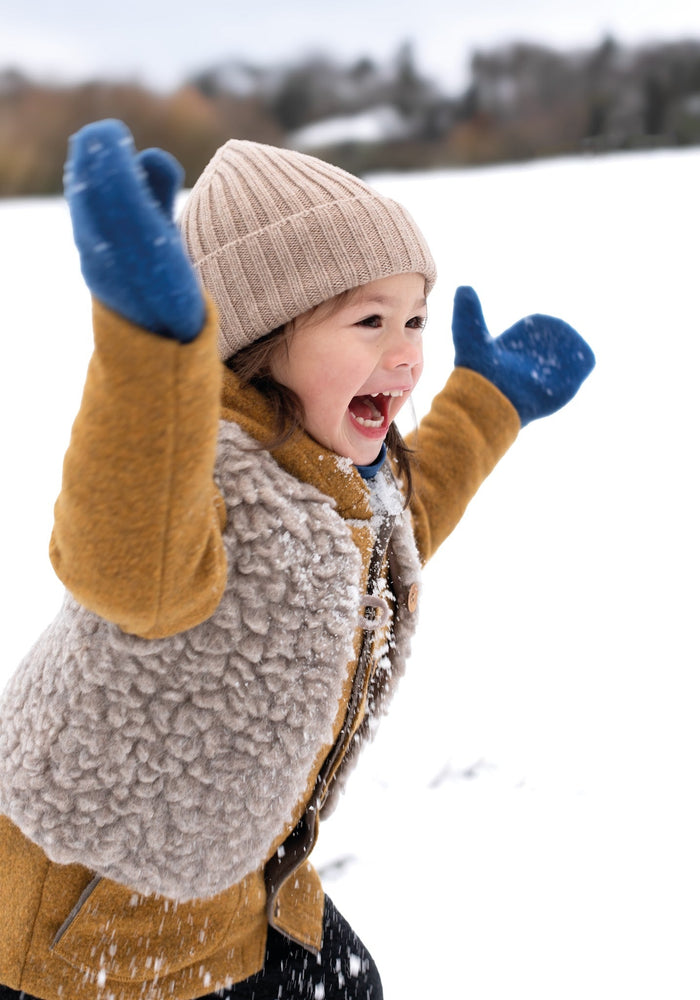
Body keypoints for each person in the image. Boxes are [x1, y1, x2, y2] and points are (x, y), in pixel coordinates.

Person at [0, 119, 594, 1000]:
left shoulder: (334, 468)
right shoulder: (191, 480)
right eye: (368, 321)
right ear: (262, 338)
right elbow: (121, 551)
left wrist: (487, 403)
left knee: (351, 986)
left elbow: (403, 524)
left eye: (415, 319)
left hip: (241, 880)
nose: (406, 352)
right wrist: (150, 352)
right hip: (99, 927)